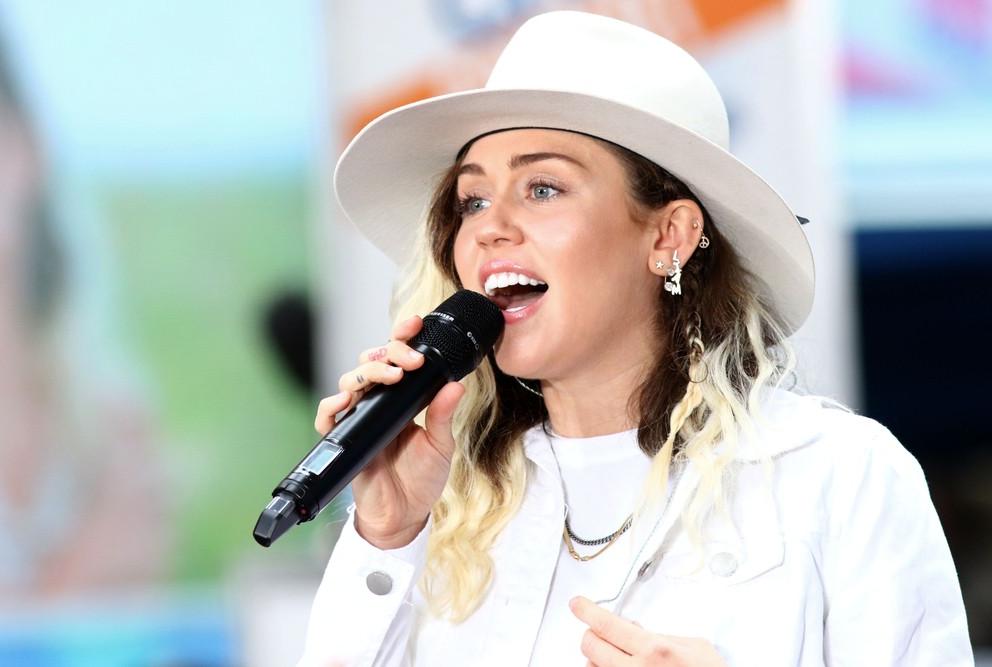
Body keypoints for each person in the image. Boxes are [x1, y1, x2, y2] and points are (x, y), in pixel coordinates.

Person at [298, 11, 972, 666]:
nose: (488, 228)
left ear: (668, 236)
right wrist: (388, 537)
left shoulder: (838, 472)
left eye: (542, 188)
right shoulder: (449, 501)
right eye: (472, 200)